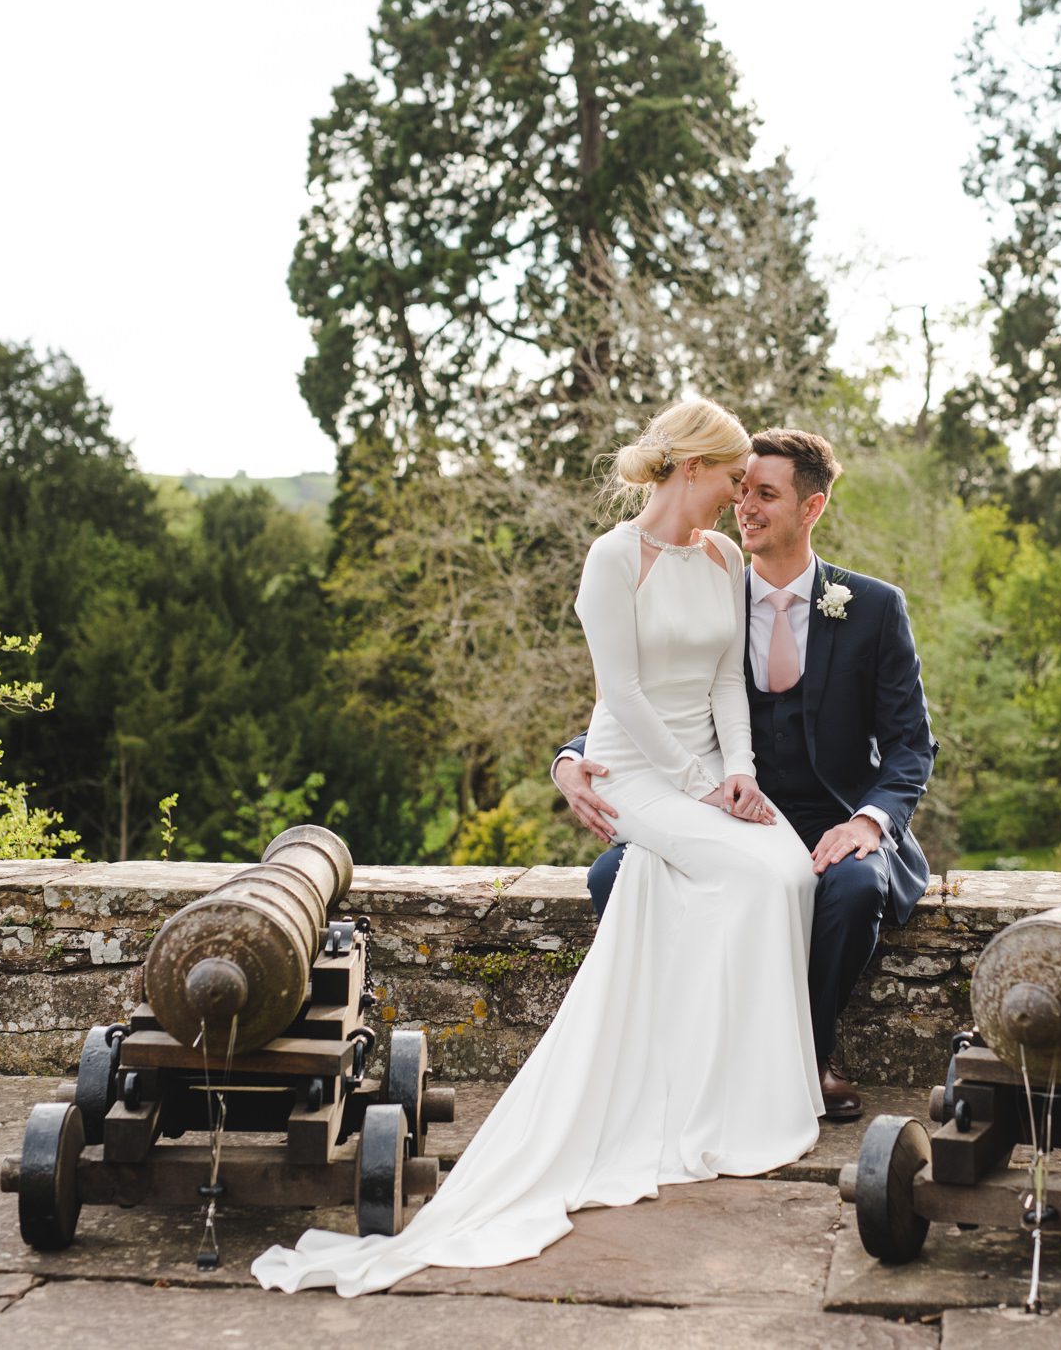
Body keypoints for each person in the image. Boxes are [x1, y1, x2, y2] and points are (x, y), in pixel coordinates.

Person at [254, 398, 822, 1297]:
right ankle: (713, 1109)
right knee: (751, 876)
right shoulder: (612, 559)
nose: (738, 492)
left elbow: (726, 681)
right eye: (729, 475)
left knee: (788, 868)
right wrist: (689, 782)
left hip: (713, 767)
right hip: (635, 772)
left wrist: (740, 774)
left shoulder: (721, 559)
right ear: (690, 470)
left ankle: (752, 1093)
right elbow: (622, 693)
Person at [553, 428, 935, 1122]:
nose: (744, 505)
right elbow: (644, 687)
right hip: (722, 807)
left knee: (851, 888)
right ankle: (681, 1065)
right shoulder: (716, 577)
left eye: (765, 493)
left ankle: (812, 1057)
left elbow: (912, 747)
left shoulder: (874, 607)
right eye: (741, 488)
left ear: (812, 508)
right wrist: (572, 756)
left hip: (834, 814)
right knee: (613, 876)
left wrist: (868, 822)